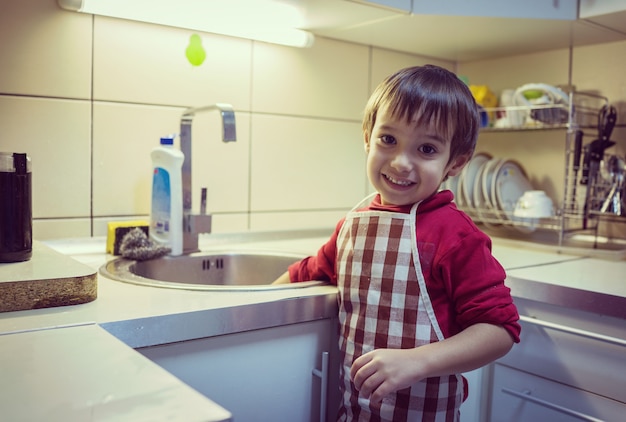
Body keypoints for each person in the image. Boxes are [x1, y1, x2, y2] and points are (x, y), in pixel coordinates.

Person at [273, 64, 521, 421]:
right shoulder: (353, 224)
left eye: (426, 148)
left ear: (456, 162)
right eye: (388, 140)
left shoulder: (455, 235)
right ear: (367, 137)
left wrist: (417, 362)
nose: (401, 162)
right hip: (354, 411)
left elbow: (500, 330)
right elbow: (308, 271)